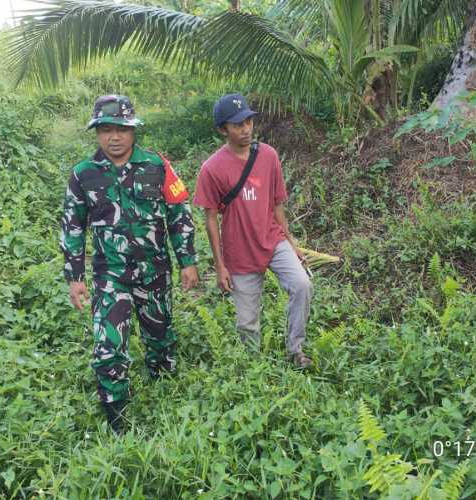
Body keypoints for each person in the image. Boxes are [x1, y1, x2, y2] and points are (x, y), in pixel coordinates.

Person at [60, 95, 199, 434]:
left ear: (133, 131)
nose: (114, 137)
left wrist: (188, 261)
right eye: (106, 129)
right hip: (111, 277)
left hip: (155, 272)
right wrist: (75, 276)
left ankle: (164, 392)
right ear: (96, 133)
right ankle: (116, 418)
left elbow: (179, 215)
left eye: (121, 128)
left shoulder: (158, 166)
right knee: (108, 349)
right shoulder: (83, 175)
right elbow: (73, 226)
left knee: (161, 339)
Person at [193, 93, 313, 368]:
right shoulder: (211, 168)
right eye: (237, 125)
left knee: (302, 285)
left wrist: (292, 244)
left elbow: (277, 205)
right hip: (239, 251)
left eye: (248, 121)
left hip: (272, 239)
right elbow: (210, 219)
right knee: (247, 323)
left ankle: (296, 350)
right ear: (223, 129)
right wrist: (219, 265)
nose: (246, 129)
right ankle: (254, 368)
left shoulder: (268, 155)